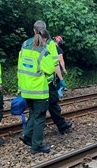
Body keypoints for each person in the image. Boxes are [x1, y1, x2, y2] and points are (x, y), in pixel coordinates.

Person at [17, 23, 56, 153]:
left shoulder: (25, 46)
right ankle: (36, 146)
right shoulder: (43, 51)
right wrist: (49, 54)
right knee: (40, 118)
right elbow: (50, 69)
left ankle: (27, 135)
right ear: (45, 37)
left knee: (33, 113)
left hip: (26, 88)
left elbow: (20, 66)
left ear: (34, 32)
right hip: (39, 90)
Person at [34, 22, 72, 135]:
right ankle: (29, 134)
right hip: (47, 80)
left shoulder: (29, 43)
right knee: (51, 104)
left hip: (34, 81)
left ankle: (62, 125)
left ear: (33, 30)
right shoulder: (50, 43)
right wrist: (61, 79)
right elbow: (56, 64)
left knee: (38, 107)